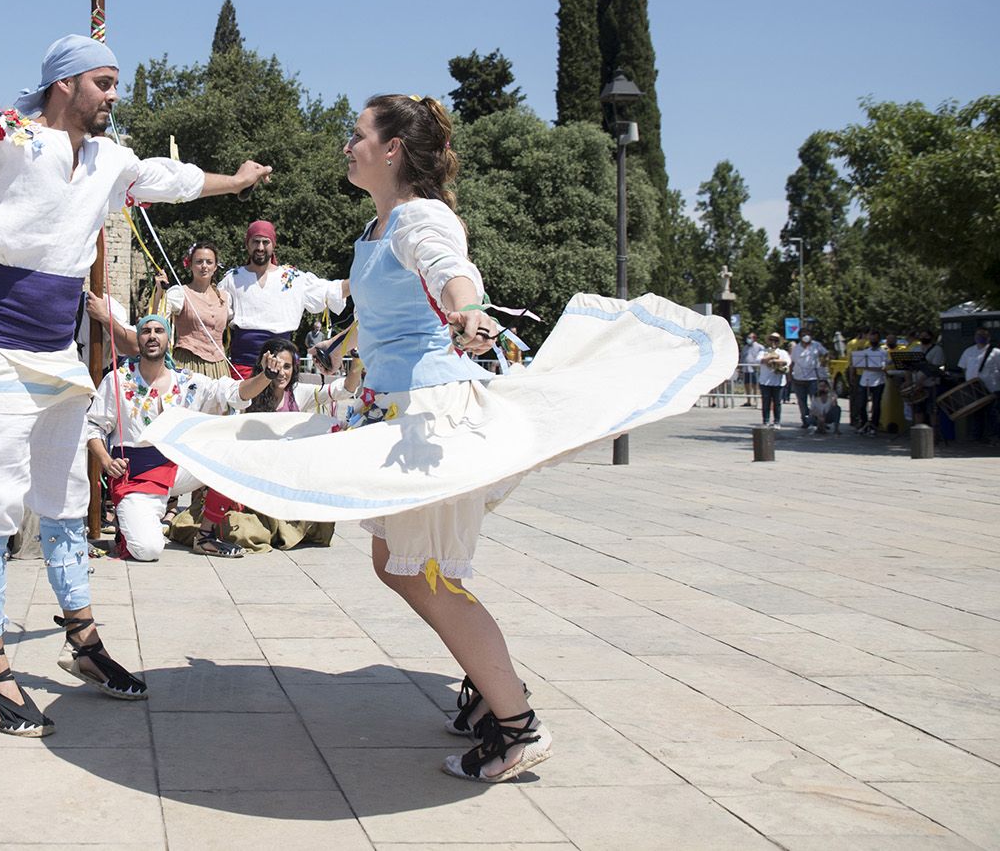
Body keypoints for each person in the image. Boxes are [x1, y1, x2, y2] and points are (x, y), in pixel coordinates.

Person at [146, 93, 735, 783]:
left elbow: (448, 270)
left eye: (358, 134)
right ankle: (493, 698)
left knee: (421, 573)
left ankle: (516, 724)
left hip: (428, 418)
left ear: (392, 148)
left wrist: (470, 309)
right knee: (406, 565)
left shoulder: (421, 217)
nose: (347, 145)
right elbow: (389, 301)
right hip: (391, 411)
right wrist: (344, 342)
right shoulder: (378, 225)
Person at [0, 33, 271, 737]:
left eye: (116, 83)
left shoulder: (110, 160)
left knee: (65, 498)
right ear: (65, 85)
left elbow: (164, 181)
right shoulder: (10, 134)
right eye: (104, 82)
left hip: (59, 352)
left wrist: (232, 183)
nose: (115, 95)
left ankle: (82, 641)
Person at [86, 314, 274, 561]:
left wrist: (265, 377)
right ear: (138, 341)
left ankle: (206, 536)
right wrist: (106, 461)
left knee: (231, 453)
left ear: (168, 339)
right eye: (146, 331)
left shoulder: (187, 382)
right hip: (136, 477)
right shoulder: (119, 379)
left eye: (158, 331)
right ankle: (130, 524)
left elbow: (233, 393)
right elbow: (93, 426)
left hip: (177, 471)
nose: (152, 335)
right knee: (148, 550)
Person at [179, 336, 354, 555]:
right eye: (276, 366)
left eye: (287, 367)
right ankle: (206, 535)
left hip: (282, 477)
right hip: (249, 476)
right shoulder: (249, 391)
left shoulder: (300, 393)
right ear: (264, 365)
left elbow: (344, 389)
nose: (282, 372)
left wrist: (356, 363)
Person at [220, 220, 349, 375]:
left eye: (265, 242)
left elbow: (330, 290)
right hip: (243, 363)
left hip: (282, 363)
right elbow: (212, 311)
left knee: (281, 400)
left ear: (274, 245)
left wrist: (363, 280)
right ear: (247, 244)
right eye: (255, 241)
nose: (260, 247)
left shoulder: (293, 278)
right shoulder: (232, 278)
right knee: (241, 399)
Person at [161, 241, 232, 377]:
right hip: (188, 363)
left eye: (209, 262)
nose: (204, 266)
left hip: (219, 366)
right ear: (191, 265)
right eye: (199, 262)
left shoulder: (225, 297)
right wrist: (159, 291)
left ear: (216, 266)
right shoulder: (180, 293)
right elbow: (157, 318)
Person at [957, 328, 999, 441]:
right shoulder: (969, 351)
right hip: (974, 388)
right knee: (977, 414)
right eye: (978, 335)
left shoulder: (996, 352)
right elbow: (963, 367)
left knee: (993, 414)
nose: (980, 337)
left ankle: (994, 436)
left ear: (988, 337)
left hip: (991, 388)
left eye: (983, 335)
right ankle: (977, 437)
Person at [788, 330, 828, 429]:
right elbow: (792, 363)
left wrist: (824, 362)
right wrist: (789, 376)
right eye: (803, 335)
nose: (806, 336)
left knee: (816, 401)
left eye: (808, 334)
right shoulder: (796, 348)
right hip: (798, 378)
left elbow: (826, 354)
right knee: (802, 402)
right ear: (800, 337)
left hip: (813, 378)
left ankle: (819, 421)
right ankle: (806, 421)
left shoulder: (816, 345)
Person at [854, 331, 888, 436]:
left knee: (876, 405)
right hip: (865, 380)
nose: (873, 341)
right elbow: (858, 364)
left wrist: (868, 367)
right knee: (861, 404)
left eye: (875, 339)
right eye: (871, 339)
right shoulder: (865, 352)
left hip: (878, 381)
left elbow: (882, 367)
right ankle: (864, 424)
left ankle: (874, 425)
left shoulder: (883, 352)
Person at [757, 332, 791, 428]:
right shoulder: (763, 351)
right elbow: (758, 360)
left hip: (778, 381)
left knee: (777, 403)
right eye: (771, 340)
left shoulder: (782, 352)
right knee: (766, 402)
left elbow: (787, 361)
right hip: (765, 381)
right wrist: (771, 356)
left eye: (775, 340)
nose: (773, 342)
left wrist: (775, 361)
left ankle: (777, 422)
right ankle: (766, 421)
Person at [739, 332, 761, 406]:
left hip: (755, 369)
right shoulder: (745, 347)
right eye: (748, 337)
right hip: (746, 369)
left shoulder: (759, 347)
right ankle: (748, 400)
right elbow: (742, 357)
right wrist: (740, 368)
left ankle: (756, 400)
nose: (748, 339)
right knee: (747, 384)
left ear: (754, 338)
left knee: (755, 385)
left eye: (750, 337)